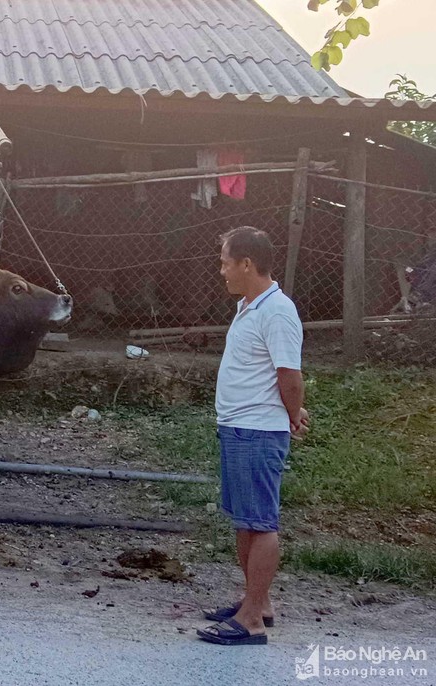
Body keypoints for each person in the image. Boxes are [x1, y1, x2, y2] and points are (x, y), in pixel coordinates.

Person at [197, 226, 309, 646]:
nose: (222, 270)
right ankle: (257, 603)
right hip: (240, 427)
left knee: (260, 524)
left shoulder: (277, 311)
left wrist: (293, 413)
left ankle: (252, 622)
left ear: (247, 264)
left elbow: (288, 373)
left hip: (257, 430)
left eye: (226, 262)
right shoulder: (250, 306)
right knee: (245, 520)